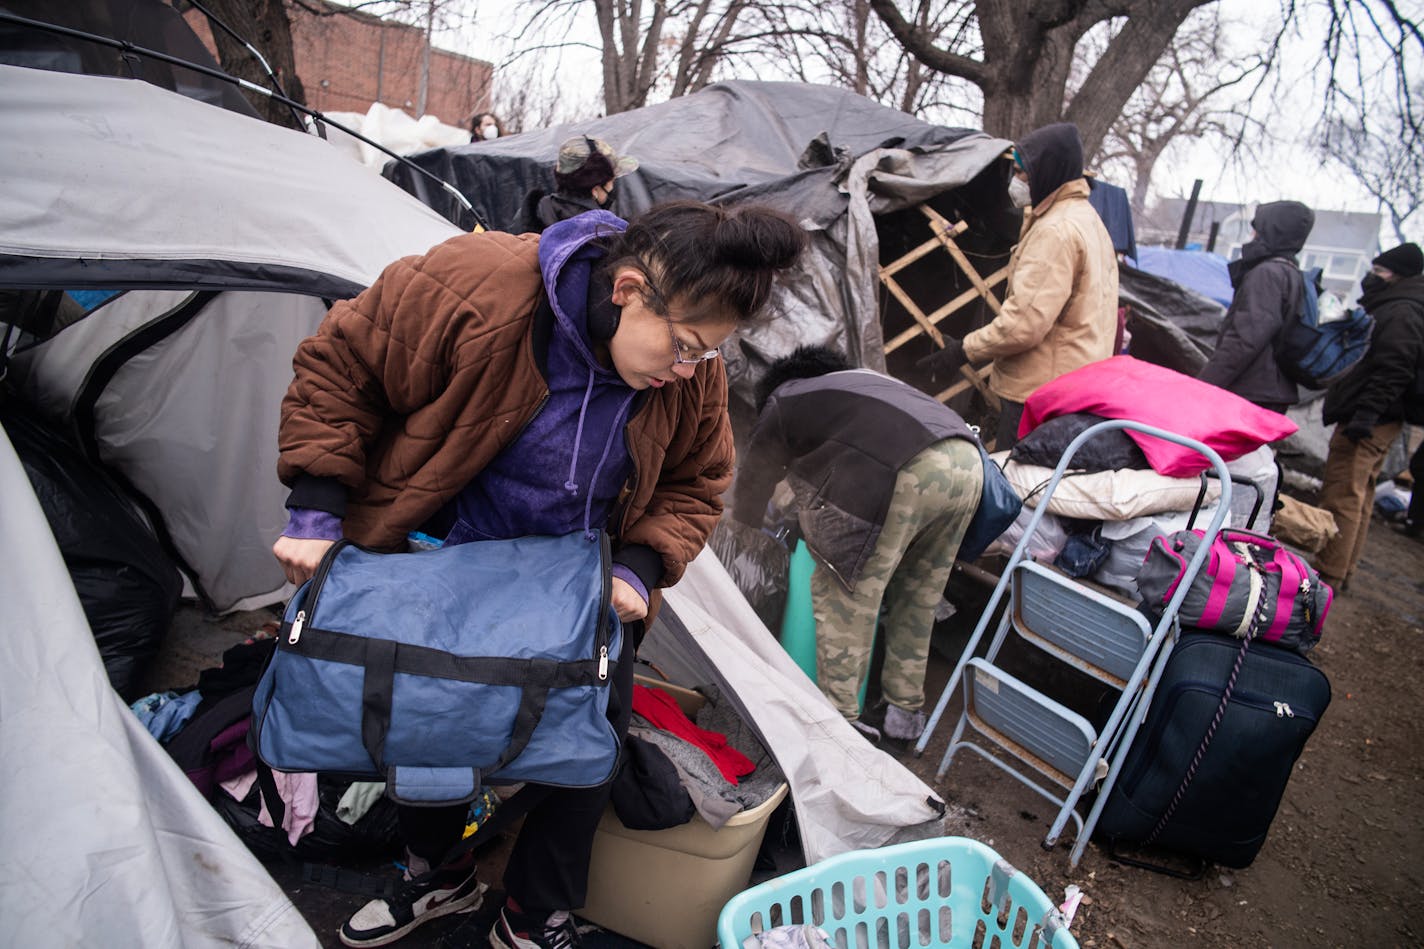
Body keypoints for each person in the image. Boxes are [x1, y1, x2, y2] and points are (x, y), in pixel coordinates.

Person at [272, 201, 805, 948]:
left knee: (587, 749)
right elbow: (343, 364)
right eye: (682, 346)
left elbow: (698, 479)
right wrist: (317, 507)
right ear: (625, 290)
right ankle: (438, 874)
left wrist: (641, 565)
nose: (686, 370)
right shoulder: (476, 285)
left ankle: (530, 914)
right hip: (447, 563)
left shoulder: (689, 379)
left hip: (577, 590)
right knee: (431, 730)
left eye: (705, 355)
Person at [732, 345, 985, 745]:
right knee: (918, 596)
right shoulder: (865, 384)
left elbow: (754, 478)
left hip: (906, 471)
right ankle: (903, 716)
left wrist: (742, 534)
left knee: (846, 594)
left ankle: (839, 729)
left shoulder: (786, 397)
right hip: (969, 465)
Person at [916, 122, 1118, 448]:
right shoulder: (1088, 220)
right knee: (1044, 487)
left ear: (1049, 174)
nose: (1017, 181)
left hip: (1040, 395)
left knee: (1018, 489)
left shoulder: (1056, 231)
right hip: (1074, 387)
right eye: (1017, 171)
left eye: (1025, 174)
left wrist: (963, 351)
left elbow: (1023, 325)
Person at [1314, 241, 1424, 587]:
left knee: (1343, 494)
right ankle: (1342, 569)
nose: (1370, 278)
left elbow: (1395, 368)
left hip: (1370, 419)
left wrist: (1366, 414)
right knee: (1360, 494)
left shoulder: (1402, 311)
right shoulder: (1401, 306)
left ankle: (1327, 573)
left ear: (1398, 276)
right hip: (1379, 417)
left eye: (1379, 272)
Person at [1197, 200, 1316, 413]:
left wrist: (1204, 385)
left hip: (1251, 391)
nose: (1252, 237)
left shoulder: (1267, 274)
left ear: (1272, 231)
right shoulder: (1293, 275)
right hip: (1273, 389)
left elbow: (1245, 338)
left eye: (1257, 231)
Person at [516, 136, 639, 235]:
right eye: (611, 181)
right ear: (595, 189)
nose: (613, 187)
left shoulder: (532, 215)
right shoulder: (604, 233)